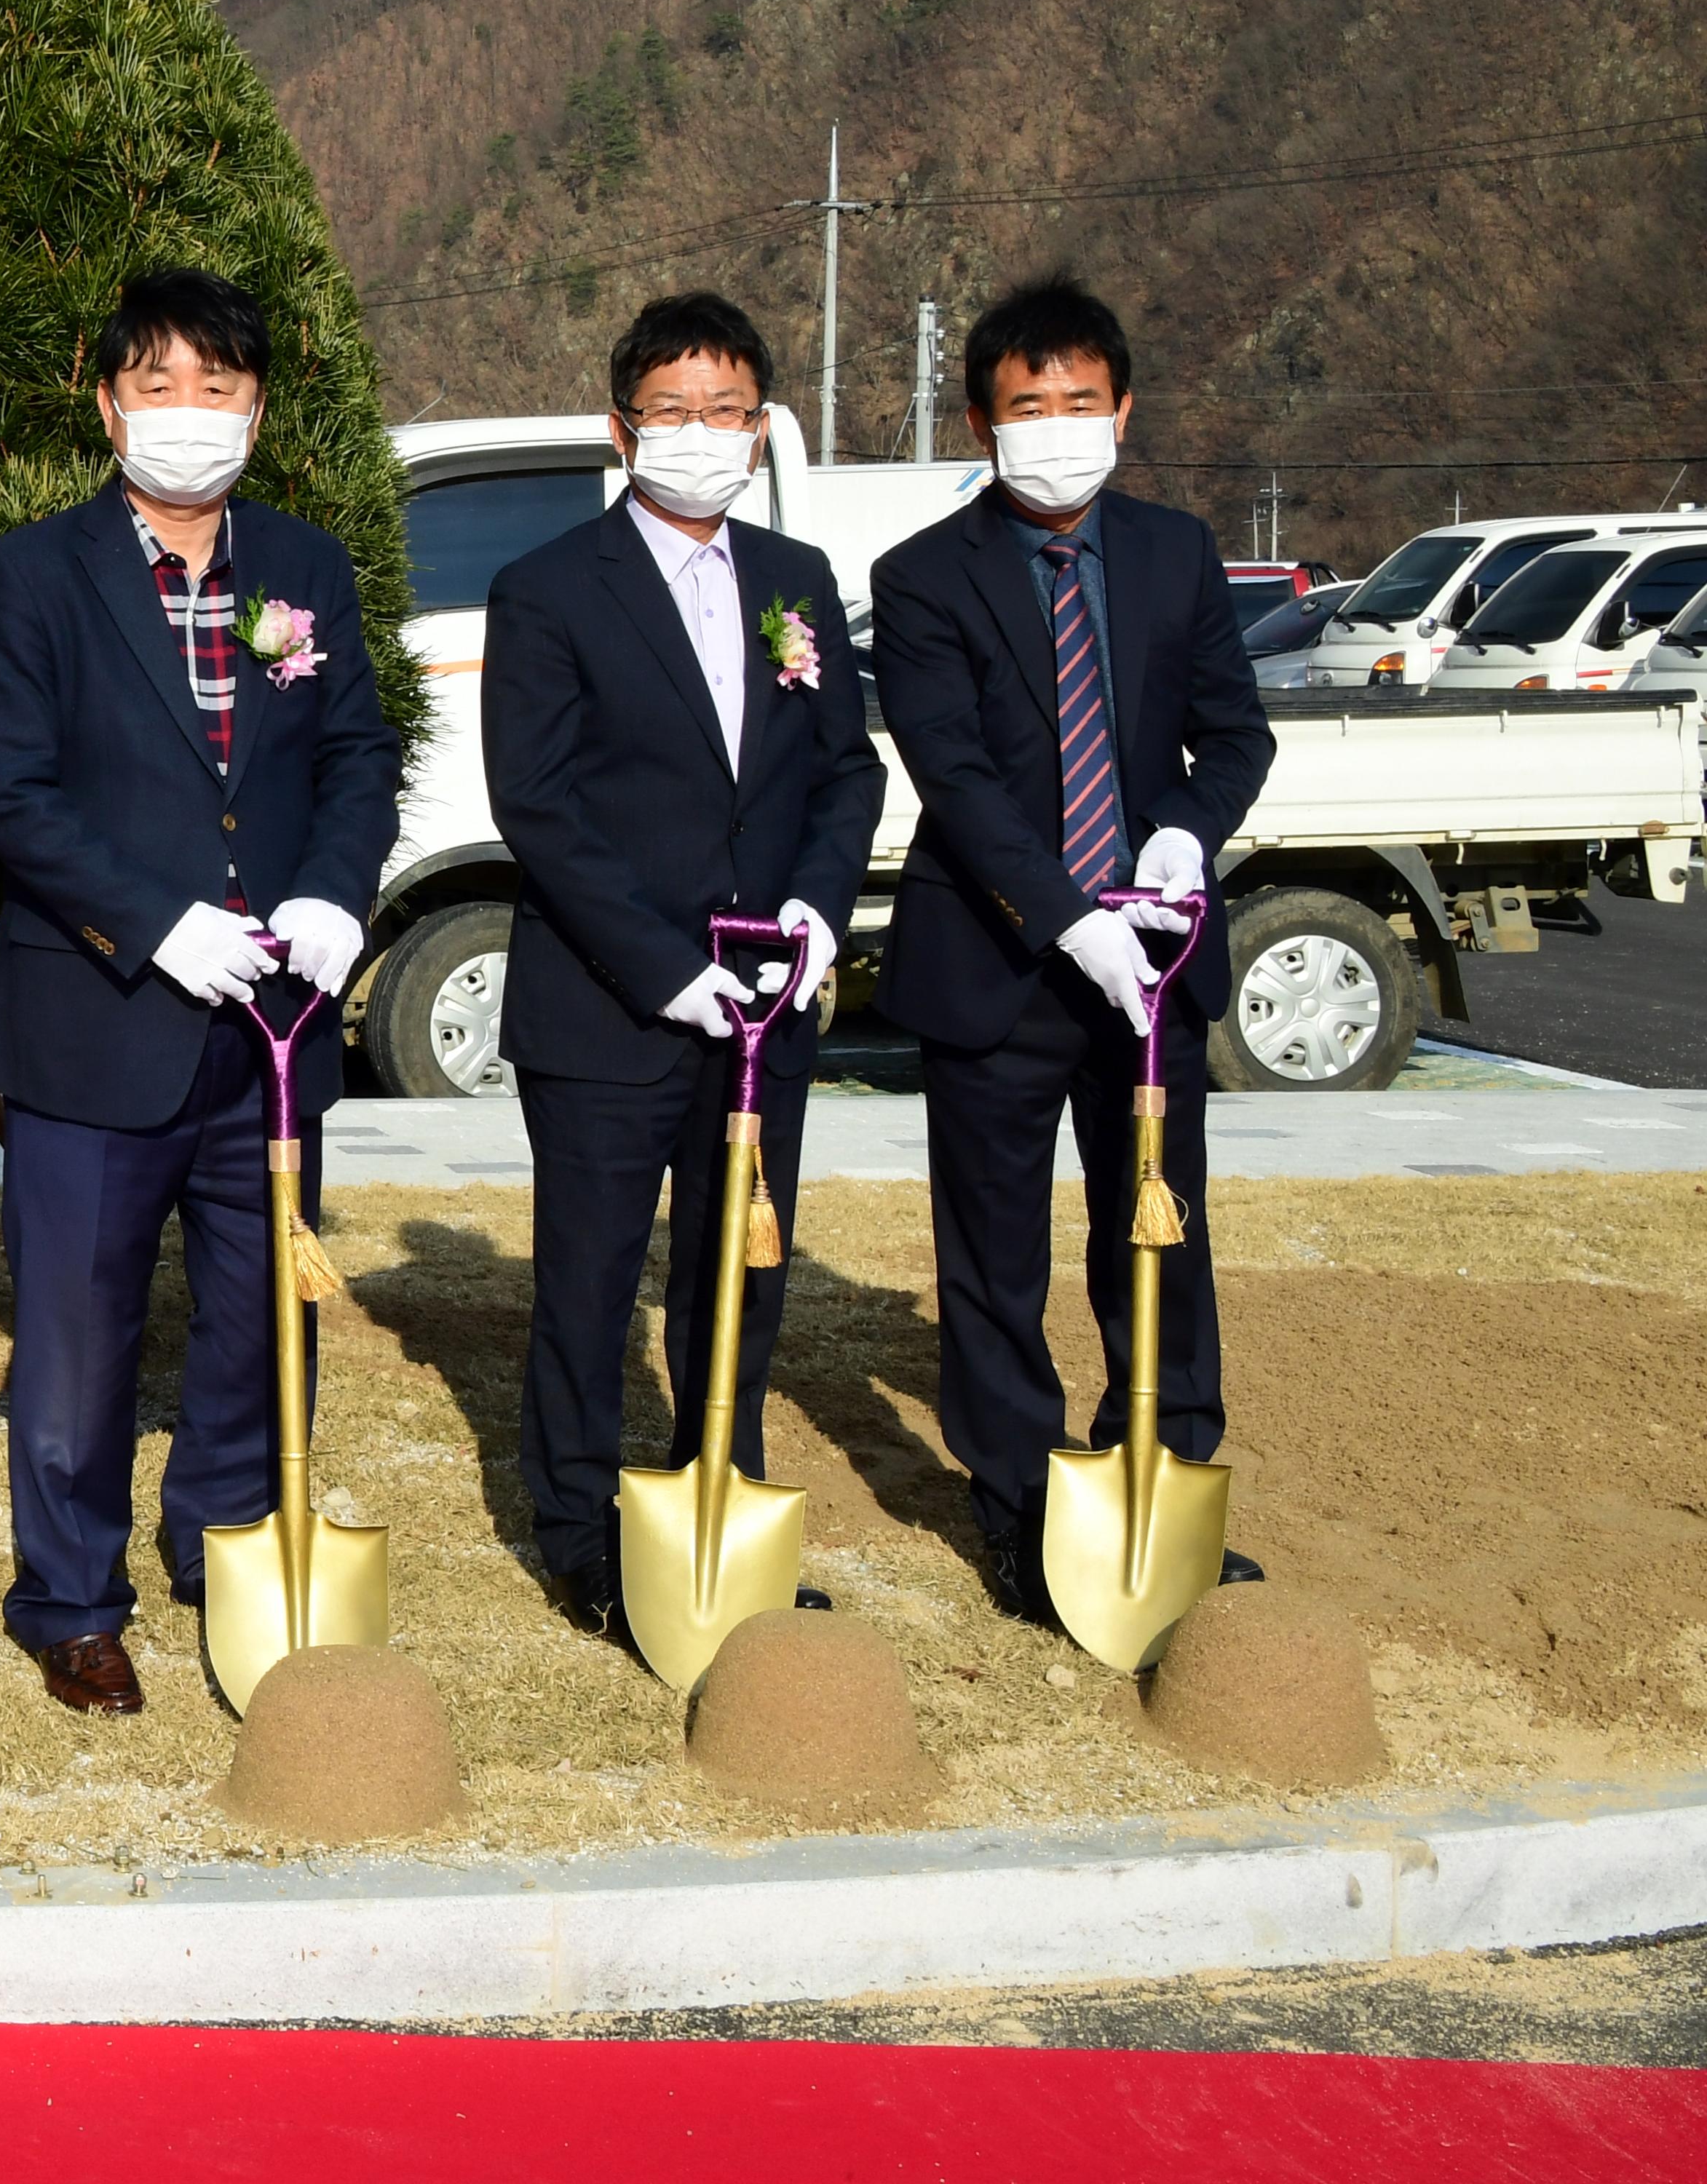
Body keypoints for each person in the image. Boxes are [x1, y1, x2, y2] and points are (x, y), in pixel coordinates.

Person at [0, 266, 403, 1715]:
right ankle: (71, 1598)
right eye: (161, 385)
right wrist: (154, 924)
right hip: (104, 1020)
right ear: (108, 403)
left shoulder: (305, 568)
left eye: (220, 387)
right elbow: (10, 792)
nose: (190, 414)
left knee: (263, 1311)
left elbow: (353, 756)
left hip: (272, 1030)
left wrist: (337, 890)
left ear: (260, 409)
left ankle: (228, 1544)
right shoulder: (35, 572)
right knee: (79, 1335)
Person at [868, 275, 1275, 1629]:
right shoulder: (923, 575)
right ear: (981, 420)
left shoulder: (1173, 550)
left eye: (1078, 403)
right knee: (993, 1255)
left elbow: (1233, 732)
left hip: (1153, 960)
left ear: (1122, 409)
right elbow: (958, 777)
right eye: (1024, 406)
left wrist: (1181, 840)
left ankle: (1163, 1476)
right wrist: (1066, 916)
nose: (1054, 427)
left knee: (1157, 1229)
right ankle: (1020, 1509)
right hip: (996, 963)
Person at [482, 293, 884, 1641]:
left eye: (724, 412)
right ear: (620, 429)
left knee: (741, 1272)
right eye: (670, 412)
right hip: (609, 1008)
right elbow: (537, 805)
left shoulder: (794, 582)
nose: (698, 435)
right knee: (588, 1285)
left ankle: (721, 1494)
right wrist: (665, 968)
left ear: (760, 427)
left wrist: (818, 915)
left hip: (766, 1011)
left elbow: (843, 771)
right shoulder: (546, 589)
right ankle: (580, 1535)